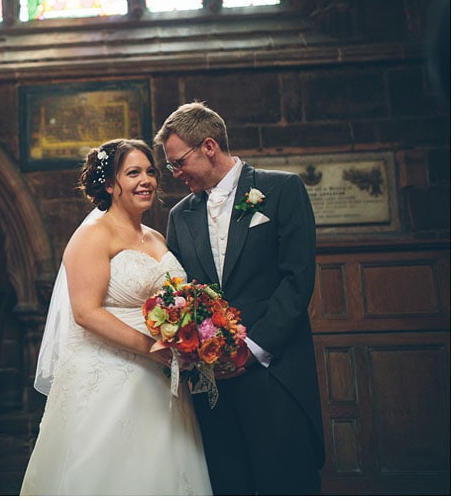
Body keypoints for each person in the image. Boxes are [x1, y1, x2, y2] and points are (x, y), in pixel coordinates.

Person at [21, 139, 212, 496]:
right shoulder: (93, 236)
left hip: (160, 380)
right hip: (109, 376)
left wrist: (187, 335)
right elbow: (86, 312)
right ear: (109, 184)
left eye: (151, 172)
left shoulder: (155, 237)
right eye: (134, 173)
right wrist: (153, 349)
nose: (147, 181)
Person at [154, 101, 325, 494]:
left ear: (209, 146)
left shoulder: (282, 189)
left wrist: (253, 347)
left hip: (274, 370)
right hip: (215, 385)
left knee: (287, 482)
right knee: (230, 484)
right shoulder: (180, 216)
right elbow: (185, 294)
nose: (175, 174)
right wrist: (202, 350)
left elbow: (297, 279)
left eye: (178, 163)